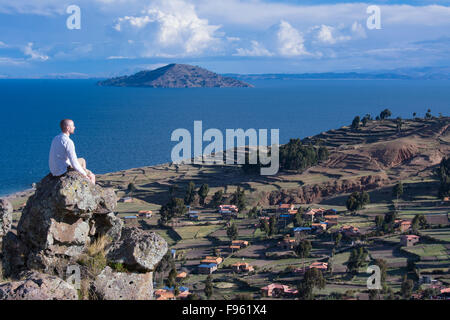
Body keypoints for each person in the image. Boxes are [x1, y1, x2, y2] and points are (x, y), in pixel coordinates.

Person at [49, 119, 95, 184]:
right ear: (68, 128)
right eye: (73, 126)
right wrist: (84, 174)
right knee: (92, 176)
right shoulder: (68, 142)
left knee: (82, 160)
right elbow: (74, 162)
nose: (74, 127)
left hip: (54, 170)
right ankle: (90, 186)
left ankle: (83, 170)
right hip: (62, 170)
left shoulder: (56, 138)